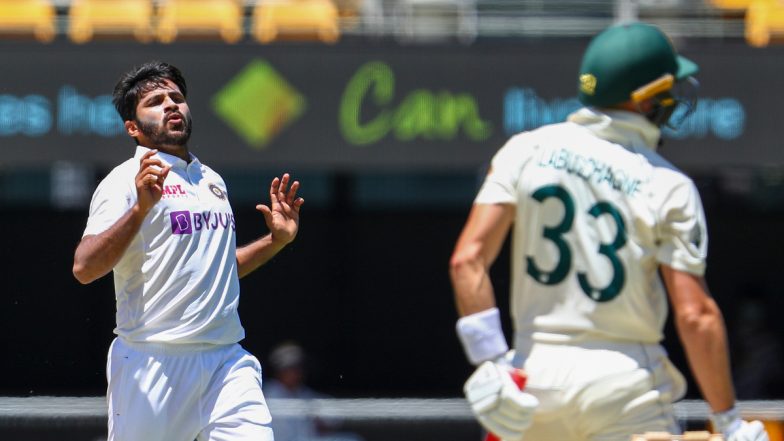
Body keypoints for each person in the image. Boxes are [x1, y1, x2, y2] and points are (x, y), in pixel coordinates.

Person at [449, 22, 769, 441]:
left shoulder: (524, 150)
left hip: (534, 377)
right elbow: (696, 316)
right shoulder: (668, 184)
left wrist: (491, 364)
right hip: (626, 385)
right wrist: (727, 421)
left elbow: (467, 259)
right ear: (646, 98)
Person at [72, 61, 304, 441]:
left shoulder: (211, 180)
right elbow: (84, 268)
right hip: (152, 362)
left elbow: (218, 270)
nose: (171, 106)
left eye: (177, 98)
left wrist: (276, 241)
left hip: (226, 360)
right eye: (155, 101)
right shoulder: (123, 182)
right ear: (132, 127)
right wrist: (140, 209)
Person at [263, 342, 363, 441]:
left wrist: (320, 420)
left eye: (298, 368)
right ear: (279, 370)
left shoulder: (302, 392)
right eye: (291, 368)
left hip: (305, 438)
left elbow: (335, 416)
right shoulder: (267, 393)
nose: (296, 373)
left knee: (351, 438)